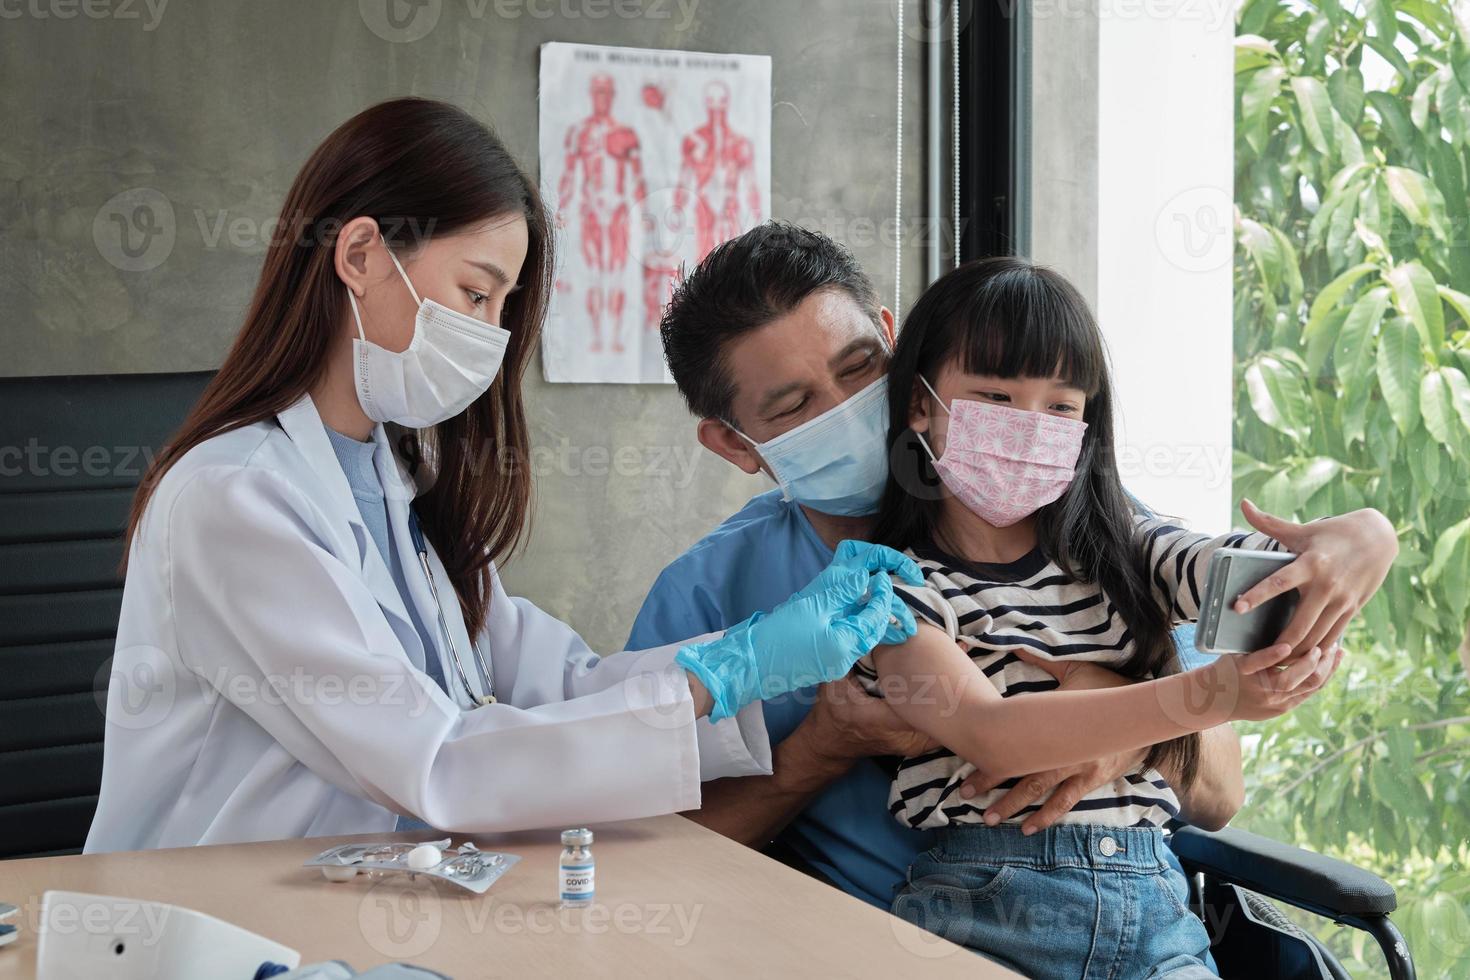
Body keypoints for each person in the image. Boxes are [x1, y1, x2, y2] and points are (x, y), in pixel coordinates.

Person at [84, 99, 921, 853]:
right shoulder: (233, 498)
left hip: (367, 902)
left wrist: (748, 656)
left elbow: (560, 685)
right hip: (214, 916)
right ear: (362, 255)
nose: (489, 334)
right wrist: (726, 672)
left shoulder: (397, 483)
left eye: (502, 306)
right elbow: (438, 763)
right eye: (476, 294)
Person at [630, 222, 1395, 910]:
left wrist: (1109, 721)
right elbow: (642, 857)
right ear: (734, 444)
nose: (851, 407)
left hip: (1136, 907)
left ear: (901, 354)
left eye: (863, 366)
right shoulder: (710, 595)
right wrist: (818, 751)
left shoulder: (1079, 521)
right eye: (795, 406)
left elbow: (1220, 790)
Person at [857, 257, 1397, 978]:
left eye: (1060, 407)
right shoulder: (888, 586)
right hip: (982, 907)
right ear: (920, 405)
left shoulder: (1129, 552)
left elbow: (1244, 572)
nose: (1029, 425)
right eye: (995, 395)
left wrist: (1359, 541)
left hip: (1156, 910)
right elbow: (994, 738)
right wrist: (1213, 698)